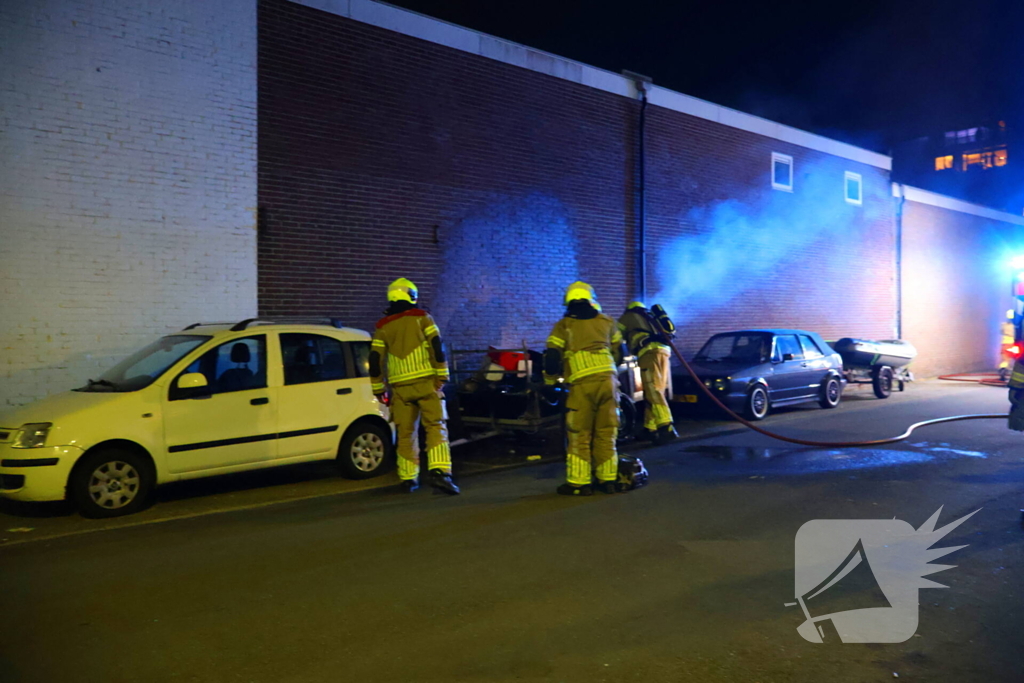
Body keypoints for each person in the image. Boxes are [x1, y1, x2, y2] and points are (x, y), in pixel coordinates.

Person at [369, 278, 459, 495]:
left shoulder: (383, 327)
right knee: (436, 426)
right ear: (411, 295)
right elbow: (437, 347)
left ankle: (408, 479)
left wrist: (378, 388)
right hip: (427, 384)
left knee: (405, 433)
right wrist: (442, 376)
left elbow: (374, 359)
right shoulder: (423, 319)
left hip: (400, 389)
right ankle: (440, 473)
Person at [544, 281, 626, 495]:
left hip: (581, 384)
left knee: (579, 434)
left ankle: (580, 484)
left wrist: (550, 382)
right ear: (592, 299)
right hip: (609, 383)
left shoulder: (564, 325)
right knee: (606, 432)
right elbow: (622, 352)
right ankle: (608, 480)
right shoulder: (608, 322)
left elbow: (552, 358)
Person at [618, 301, 678, 444]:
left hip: (649, 353)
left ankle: (666, 426)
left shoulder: (627, 316)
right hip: (663, 352)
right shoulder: (650, 316)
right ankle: (650, 429)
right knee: (655, 390)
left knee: (653, 390)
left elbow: (615, 338)